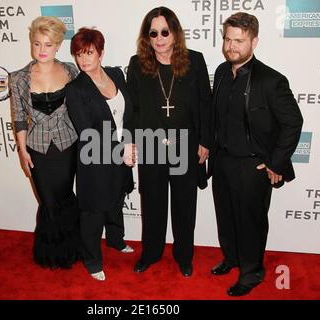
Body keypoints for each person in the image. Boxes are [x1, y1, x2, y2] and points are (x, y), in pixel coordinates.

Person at [209, 12, 303, 296]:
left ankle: (251, 273)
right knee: (225, 216)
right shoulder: (223, 72)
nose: (231, 46)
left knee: (251, 222)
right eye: (227, 39)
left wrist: (275, 162)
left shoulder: (271, 81)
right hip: (223, 160)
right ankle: (232, 258)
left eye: (239, 40)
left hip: (253, 166)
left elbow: (293, 123)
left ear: (254, 41)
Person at [127, 7, 211, 277]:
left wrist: (205, 141)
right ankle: (151, 253)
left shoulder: (195, 61)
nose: (160, 38)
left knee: (185, 204)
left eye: (165, 31)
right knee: (152, 203)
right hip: (151, 144)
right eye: (153, 33)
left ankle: (184, 256)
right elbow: (133, 108)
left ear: (174, 33)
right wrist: (130, 140)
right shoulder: (137, 64)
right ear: (147, 37)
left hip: (185, 144)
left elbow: (205, 105)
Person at [9, 16, 81, 270]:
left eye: (48, 45)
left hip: (68, 145)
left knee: (64, 198)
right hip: (37, 149)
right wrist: (22, 151)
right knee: (48, 202)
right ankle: (52, 253)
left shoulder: (71, 71)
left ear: (58, 46)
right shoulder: (18, 78)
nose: (41, 50)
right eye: (37, 43)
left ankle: (71, 251)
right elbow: (19, 118)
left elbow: (83, 107)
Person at [66, 27, 135, 281]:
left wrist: (130, 143)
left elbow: (128, 113)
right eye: (79, 54)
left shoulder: (116, 74)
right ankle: (92, 260)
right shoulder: (76, 89)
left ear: (101, 53)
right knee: (93, 211)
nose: (83, 59)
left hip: (122, 152)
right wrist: (121, 150)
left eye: (89, 53)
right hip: (95, 157)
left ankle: (116, 240)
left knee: (116, 199)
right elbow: (87, 132)